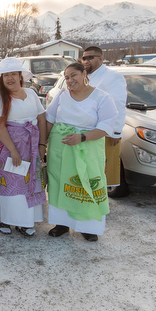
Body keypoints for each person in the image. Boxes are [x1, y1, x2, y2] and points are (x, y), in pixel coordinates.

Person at [45, 62, 118, 242]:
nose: (69, 80)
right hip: (60, 148)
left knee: (87, 184)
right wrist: (41, 144)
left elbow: (106, 126)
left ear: (84, 73)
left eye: (73, 75)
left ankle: (88, 227)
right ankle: (61, 223)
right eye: (66, 77)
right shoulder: (61, 95)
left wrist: (82, 137)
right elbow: (49, 120)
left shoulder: (102, 97)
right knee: (61, 183)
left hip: (88, 148)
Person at [0, 57, 48, 236]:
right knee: (11, 185)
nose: (10, 78)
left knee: (29, 183)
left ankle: (26, 222)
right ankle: (7, 220)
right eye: (6, 75)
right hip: (8, 148)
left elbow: (41, 119)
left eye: (13, 74)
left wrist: (42, 144)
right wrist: (13, 150)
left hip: (31, 146)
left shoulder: (31, 94)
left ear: (20, 76)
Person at [82, 46, 127, 187]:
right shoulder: (85, 77)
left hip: (105, 133)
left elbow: (118, 105)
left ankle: (101, 205)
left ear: (100, 59)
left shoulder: (112, 77)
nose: (86, 61)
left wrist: (116, 132)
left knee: (103, 176)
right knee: (90, 173)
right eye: (84, 58)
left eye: (90, 58)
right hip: (89, 133)